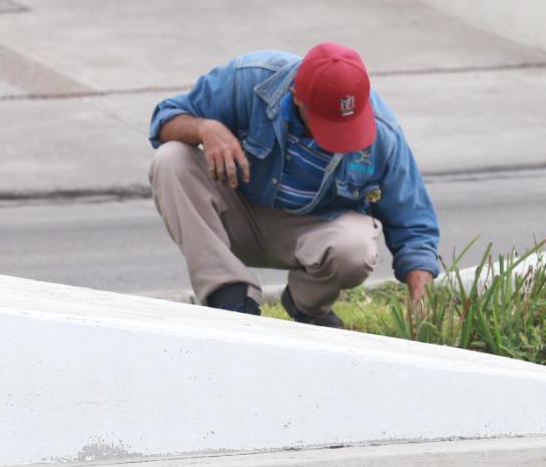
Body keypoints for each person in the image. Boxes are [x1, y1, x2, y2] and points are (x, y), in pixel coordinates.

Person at [148, 43, 441, 328]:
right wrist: (205, 128)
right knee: (171, 158)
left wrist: (421, 301)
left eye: (348, 125)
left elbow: (414, 222)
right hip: (238, 216)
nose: (340, 139)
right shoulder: (250, 78)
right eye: (327, 123)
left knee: (356, 247)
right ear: (296, 97)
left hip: (311, 234)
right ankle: (230, 300)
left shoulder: (383, 133)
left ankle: (306, 306)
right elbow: (164, 119)